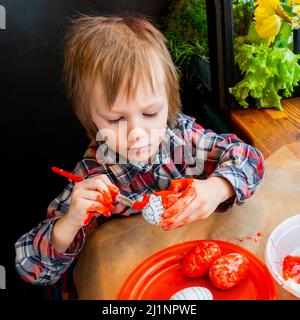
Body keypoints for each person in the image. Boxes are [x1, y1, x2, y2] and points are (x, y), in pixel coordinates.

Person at [15, 15, 265, 299]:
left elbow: (250, 158)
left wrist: (216, 188)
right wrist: (71, 221)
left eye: (150, 113)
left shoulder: (182, 138)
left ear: (169, 103)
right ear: (91, 117)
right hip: (132, 281)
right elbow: (29, 268)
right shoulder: (93, 174)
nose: (137, 132)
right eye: (116, 118)